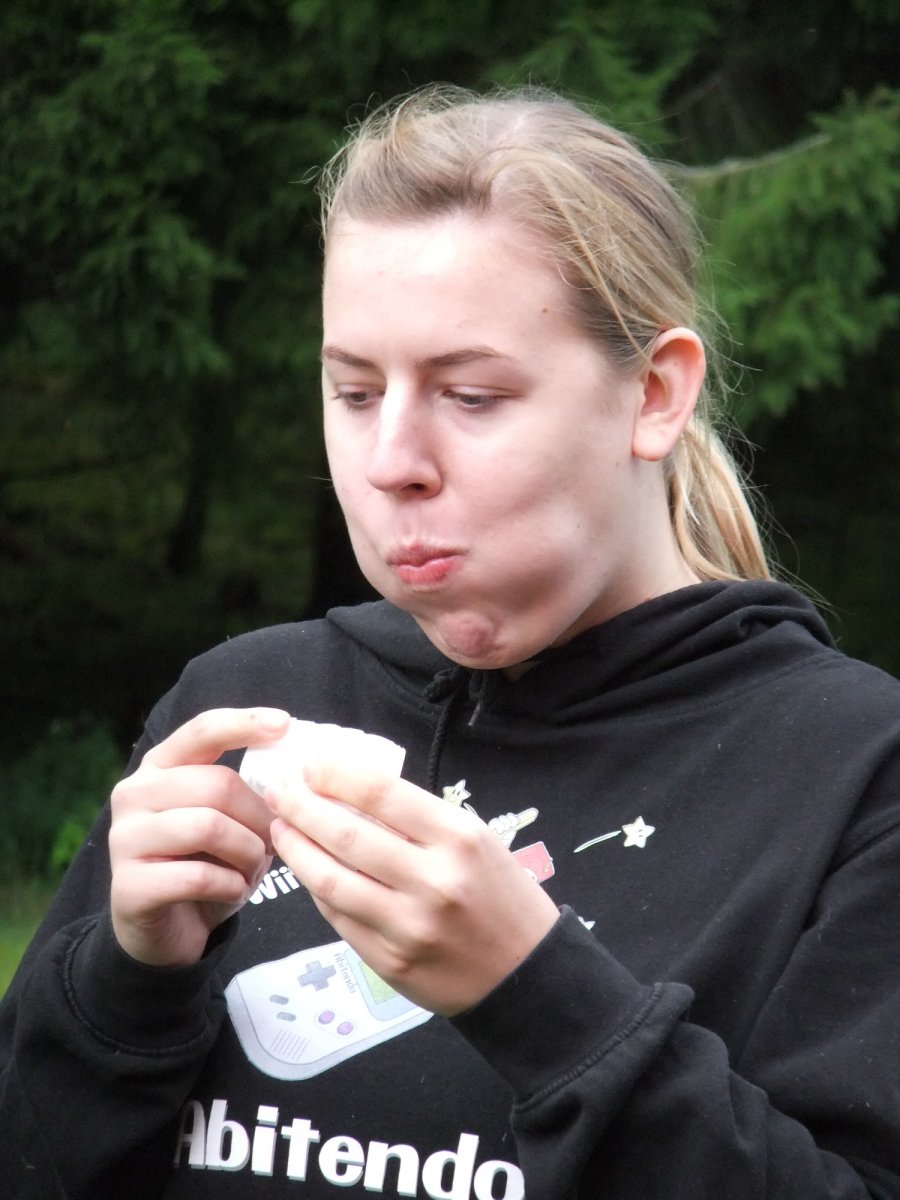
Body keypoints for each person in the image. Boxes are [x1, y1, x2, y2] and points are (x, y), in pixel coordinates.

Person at [2, 84, 899, 1200]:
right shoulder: (245, 708)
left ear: (656, 393)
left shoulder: (856, 774)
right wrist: (120, 983)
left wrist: (536, 995)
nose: (392, 462)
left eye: (470, 395)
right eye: (353, 391)